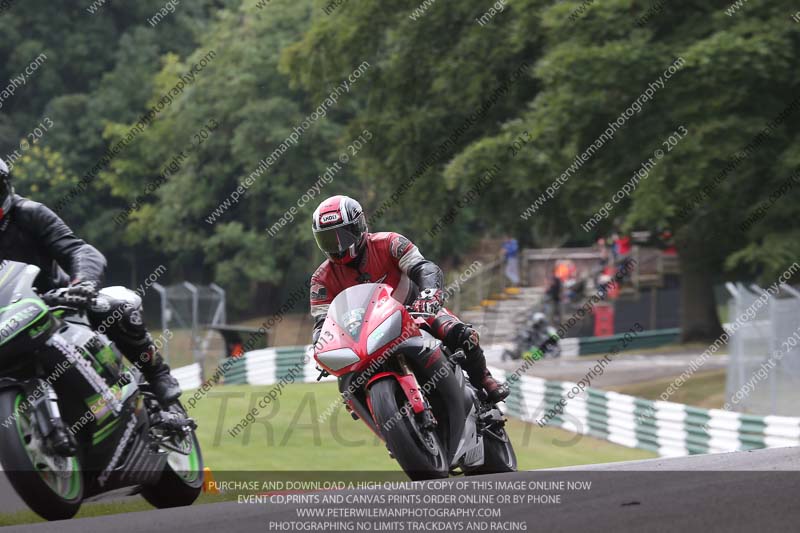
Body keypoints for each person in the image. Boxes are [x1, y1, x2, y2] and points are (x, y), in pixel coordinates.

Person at [0, 158, 181, 407]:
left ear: (6, 187)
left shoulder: (30, 213)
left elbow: (81, 251)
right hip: (6, 321)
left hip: (56, 302)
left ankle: (157, 373)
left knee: (114, 308)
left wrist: (83, 284)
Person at [308, 195, 509, 403]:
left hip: (415, 313)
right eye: (328, 239)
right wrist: (320, 344)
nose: (337, 245)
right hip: (364, 338)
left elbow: (424, 268)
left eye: (342, 236)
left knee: (461, 333)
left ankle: (484, 379)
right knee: (348, 387)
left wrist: (429, 296)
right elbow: (323, 322)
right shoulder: (320, 279)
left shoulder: (390, 242)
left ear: (359, 226)